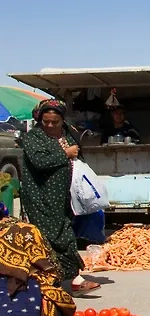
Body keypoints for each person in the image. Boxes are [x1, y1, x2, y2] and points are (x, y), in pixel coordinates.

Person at [20, 99, 99, 295]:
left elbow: (78, 155)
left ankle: (51, 279)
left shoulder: (67, 134)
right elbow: (39, 161)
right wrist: (65, 154)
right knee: (58, 236)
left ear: (62, 120)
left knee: (61, 233)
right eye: (46, 121)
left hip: (63, 197)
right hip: (41, 197)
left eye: (54, 122)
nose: (49, 125)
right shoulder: (33, 137)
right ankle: (73, 280)